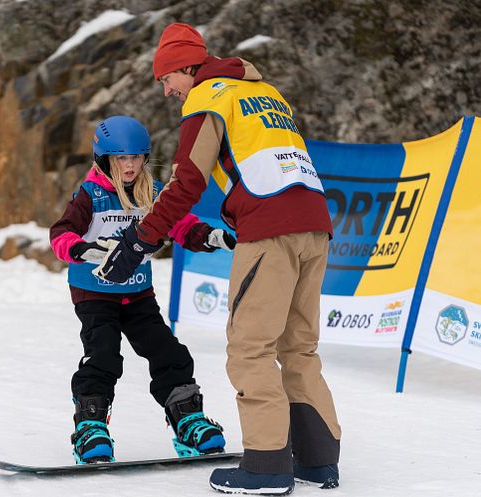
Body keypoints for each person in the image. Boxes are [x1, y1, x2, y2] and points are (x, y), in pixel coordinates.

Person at [92, 24, 341, 494]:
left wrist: (142, 240)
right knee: (298, 347)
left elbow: (187, 182)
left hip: (270, 231)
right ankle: (318, 460)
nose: (167, 91)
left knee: (250, 347)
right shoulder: (265, 92)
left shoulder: (208, 97)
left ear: (187, 67)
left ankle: (267, 466)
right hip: (315, 224)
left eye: (167, 78)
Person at [50, 115, 236, 464]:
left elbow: (181, 225)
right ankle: (90, 427)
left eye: (136, 157)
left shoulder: (152, 192)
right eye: (122, 158)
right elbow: (60, 234)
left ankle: (188, 421)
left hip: (138, 293)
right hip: (94, 293)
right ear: (105, 158)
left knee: (168, 352)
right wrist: (80, 250)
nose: (130, 165)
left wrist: (208, 236)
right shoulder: (89, 195)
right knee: (103, 355)